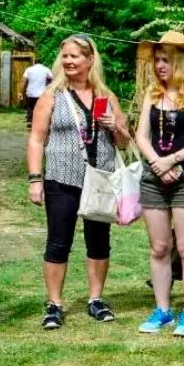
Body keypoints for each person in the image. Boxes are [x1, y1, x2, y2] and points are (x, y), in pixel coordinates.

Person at [27, 34, 132, 330]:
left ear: (90, 60)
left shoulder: (105, 96)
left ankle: (95, 299)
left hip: (99, 177)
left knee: (99, 241)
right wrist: (35, 179)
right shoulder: (51, 96)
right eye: (65, 56)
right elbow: (36, 140)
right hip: (61, 176)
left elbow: (125, 142)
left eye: (75, 56)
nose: (69, 61)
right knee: (59, 241)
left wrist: (116, 126)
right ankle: (54, 304)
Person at [134, 31, 184, 337]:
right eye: (157, 61)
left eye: (166, 60)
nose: (160, 66)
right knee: (159, 247)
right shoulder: (153, 96)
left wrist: (174, 160)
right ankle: (162, 310)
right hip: (155, 175)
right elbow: (141, 135)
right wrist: (157, 162)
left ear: (179, 61)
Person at [21, 59, 54, 129]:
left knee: (30, 108)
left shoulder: (29, 69)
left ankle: (30, 123)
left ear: (34, 63)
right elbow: (51, 79)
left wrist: (20, 92)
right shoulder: (46, 69)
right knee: (42, 109)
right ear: (42, 63)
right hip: (42, 94)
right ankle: (41, 123)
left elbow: (23, 81)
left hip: (31, 93)